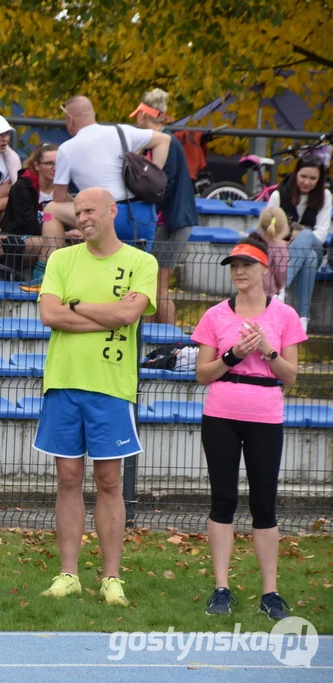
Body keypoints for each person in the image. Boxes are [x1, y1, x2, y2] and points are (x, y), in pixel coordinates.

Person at [36, 188, 158, 607]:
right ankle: (68, 574)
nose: (83, 217)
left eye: (90, 210)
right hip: (64, 382)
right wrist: (104, 316)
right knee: (67, 479)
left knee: (110, 482)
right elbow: (50, 315)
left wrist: (77, 305)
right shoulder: (61, 258)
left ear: (112, 212)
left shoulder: (142, 262)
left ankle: (110, 578)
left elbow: (129, 316)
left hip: (111, 387)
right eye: (78, 211)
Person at [191, 234, 305, 619]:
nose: (239, 272)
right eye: (234, 266)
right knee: (223, 500)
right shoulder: (215, 315)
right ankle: (221, 588)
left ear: (264, 269)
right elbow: (202, 374)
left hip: (266, 417)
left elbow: (290, 377)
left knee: (263, 505)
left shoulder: (284, 316)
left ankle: (270, 593)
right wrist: (232, 354)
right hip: (221, 414)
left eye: (246, 265)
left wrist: (266, 350)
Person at [39, 96, 171, 287]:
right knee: (134, 283)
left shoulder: (67, 149)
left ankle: (47, 274)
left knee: (51, 210)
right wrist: (150, 173)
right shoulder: (121, 131)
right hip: (142, 217)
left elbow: (58, 198)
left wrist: (82, 211)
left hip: (109, 218)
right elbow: (164, 139)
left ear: (70, 118)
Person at [131, 89, 199, 326]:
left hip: (172, 222)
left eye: (137, 116)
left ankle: (166, 342)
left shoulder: (165, 142)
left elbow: (163, 185)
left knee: (158, 285)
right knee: (154, 285)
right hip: (170, 222)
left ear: (143, 115)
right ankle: (153, 341)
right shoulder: (159, 142)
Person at [267, 156, 331, 332]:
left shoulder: (325, 196)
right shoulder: (279, 195)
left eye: (313, 178)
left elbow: (321, 234)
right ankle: (303, 317)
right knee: (308, 258)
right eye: (303, 176)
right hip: (283, 252)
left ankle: (280, 288)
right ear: (296, 174)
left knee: (308, 237)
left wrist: (300, 233)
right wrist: (288, 236)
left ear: (319, 181)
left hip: (315, 247)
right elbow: (268, 229)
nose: (307, 182)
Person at [0, 144, 62, 283]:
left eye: (58, 163)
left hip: (45, 236)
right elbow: (29, 224)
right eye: (49, 163)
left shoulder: (62, 190)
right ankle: (39, 282)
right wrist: (60, 232)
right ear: (37, 166)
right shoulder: (23, 187)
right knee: (53, 243)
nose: (54, 167)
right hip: (16, 238)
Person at [258, 207, 290, 298]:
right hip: (270, 293)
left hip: (251, 291)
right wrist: (281, 287)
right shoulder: (280, 247)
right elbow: (281, 271)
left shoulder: (253, 241)